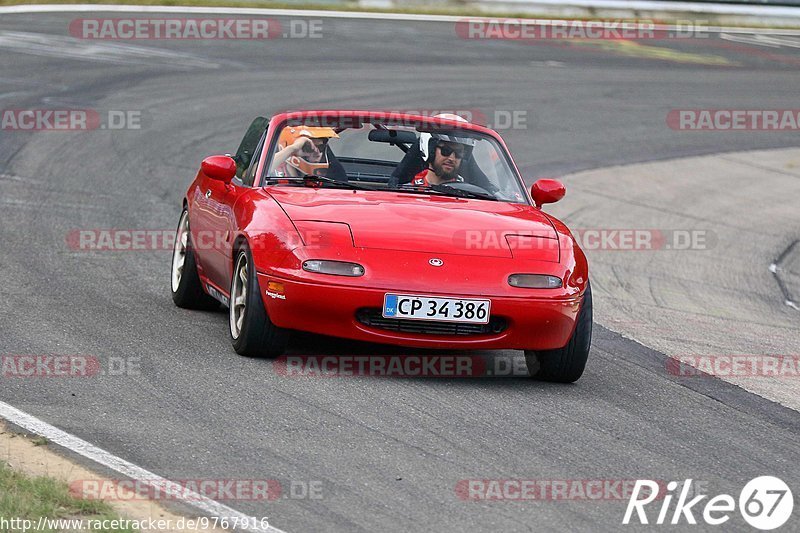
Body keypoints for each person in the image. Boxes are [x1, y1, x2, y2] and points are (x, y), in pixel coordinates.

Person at [271, 126, 347, 180]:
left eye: (321, 147)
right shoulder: (275, 170)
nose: (317, 153)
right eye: (308, 148)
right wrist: (293, 148)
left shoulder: (332, 171)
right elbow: (260, 171)